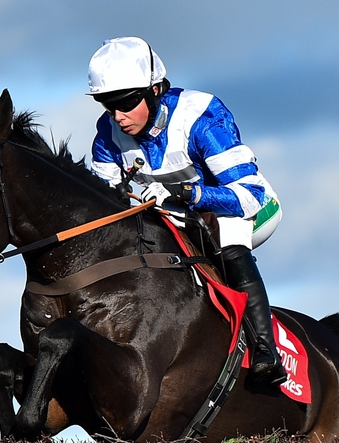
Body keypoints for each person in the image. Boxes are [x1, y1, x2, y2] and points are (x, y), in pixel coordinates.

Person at [87, 36, 287, 386]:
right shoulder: (107, 134)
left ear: (155, 89)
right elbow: (101, 203)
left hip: (243, 211)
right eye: (108, 105)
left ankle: (265, 351)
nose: (118, 117)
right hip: (176, 216)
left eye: (127, 103)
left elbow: (249, 194)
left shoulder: (202, 117)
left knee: (227, 241)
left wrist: (186, 193)